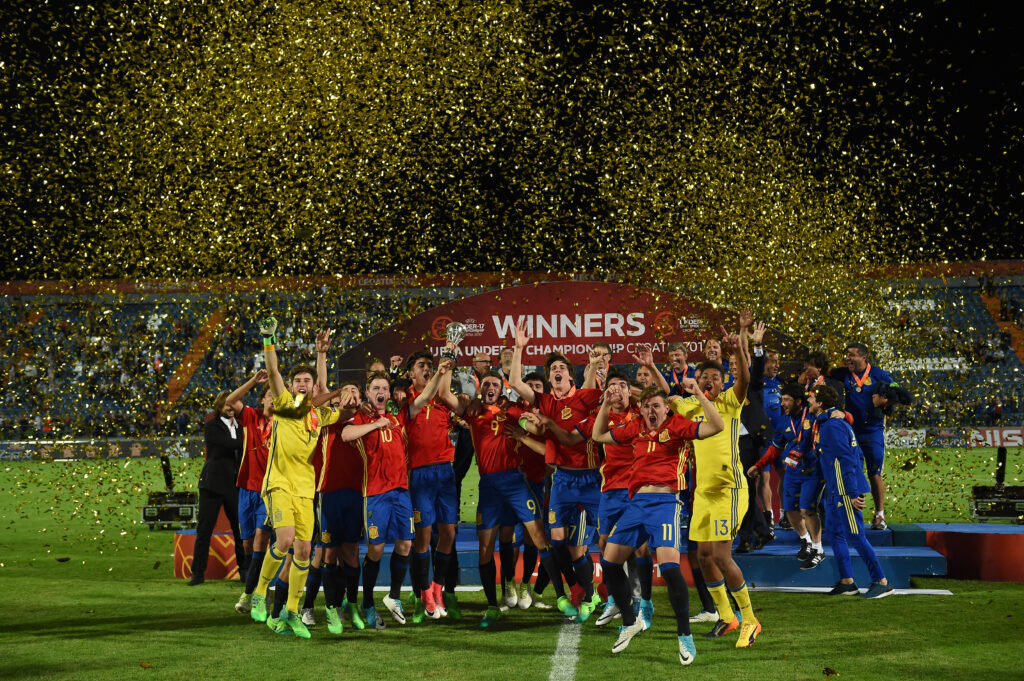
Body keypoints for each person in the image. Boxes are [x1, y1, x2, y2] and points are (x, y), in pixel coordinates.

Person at [592, 381, 724, 665]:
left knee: (670, 567)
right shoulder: (636, 427)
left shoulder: (678, 426)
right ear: (641, 409)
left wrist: (699, 394)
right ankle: (630, 621)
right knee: (611, 561)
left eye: (656, 406)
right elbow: (598, 434)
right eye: (647, 406)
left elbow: (717, 426)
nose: (651, 410)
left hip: (664, 505)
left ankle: (684, 636)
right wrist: (605, 403)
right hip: (636, 504)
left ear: (666, 408)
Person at [445, 371, 576, 627]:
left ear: (503, 389)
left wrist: (534, 424)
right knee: (486, 547)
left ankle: (561, 597)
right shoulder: (474, 412)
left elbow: (535, 427)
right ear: (481, 389)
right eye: (486, 384)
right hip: (490, 487)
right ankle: (492, 606)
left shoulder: (514, 410)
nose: (491, 387)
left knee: (539, 538)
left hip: (516, 482)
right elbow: (446, 397)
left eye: (495, 384)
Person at [251, 324, 350, 638]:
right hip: (279, 483)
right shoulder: (286, 405)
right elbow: (274, 370)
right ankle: (258, 592)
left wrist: (349, 399)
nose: (303, 384)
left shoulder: (319, 416)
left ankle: (293, 612)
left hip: (306, 491)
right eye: (299, 381)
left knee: (305, 551)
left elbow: (336, 409)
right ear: (292, 387)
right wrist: (269, 340)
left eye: (307, 380)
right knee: (284, 540)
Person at [670, 329, 761, 648]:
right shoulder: (690, 406)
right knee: (703, 555)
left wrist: (738, 350)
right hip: (703, 493)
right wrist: (655, 371)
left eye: (714, 376)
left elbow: (746, 379)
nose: (709, 380)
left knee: (722, 556)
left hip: (729, 490)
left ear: (722, 383)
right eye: (703, 376)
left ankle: (750, 620)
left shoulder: (730, 401)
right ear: (694, 380)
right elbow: (669, 399)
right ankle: (727, 616)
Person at [341, 362, 451, 628]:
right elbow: (345, 435)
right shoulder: (361, 418)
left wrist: (439, 373)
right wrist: (374, 425)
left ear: (390, 395)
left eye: (385, 388)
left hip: (402, 491)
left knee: (405, 545)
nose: (381, 391)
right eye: (376, 388)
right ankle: (367, 602)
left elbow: (424, 397)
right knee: (376, 549)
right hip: (376, 493)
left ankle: (393, 597)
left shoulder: (398, 416)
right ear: (368, 393)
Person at [508, 318, 601, 621]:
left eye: (561, 368)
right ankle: (573, 591)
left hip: (590, 478)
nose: (557, 372)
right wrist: (519, 348)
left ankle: (599, 594)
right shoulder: (545, 401)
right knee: (556, 539)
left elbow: (606, 395)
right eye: (552, 370)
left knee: (602, 539)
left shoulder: (586, 397)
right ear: (549, 379)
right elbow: (516, 382)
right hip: (560, 479)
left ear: (570, 375)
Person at [808, 384, 894, 598]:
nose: (807, 401)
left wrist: (852, 492)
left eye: (810, 398)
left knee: (855, 536)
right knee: (836, 534)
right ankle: (847, 581)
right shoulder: (832, 423)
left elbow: (846, 459)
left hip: (844, 491)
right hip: (836, 488)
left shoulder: (831, 426)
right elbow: (855, 457)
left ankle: (881, 581)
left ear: (820, 403)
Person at [403, 348, 462, 622]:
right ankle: (423, 593)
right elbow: (426, 395)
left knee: (448, 534)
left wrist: (449, 357)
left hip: (445, 474)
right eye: (421, 366)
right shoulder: (409, 401)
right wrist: (441, 369)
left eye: (430, 365)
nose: (427, 369)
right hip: (420, 475)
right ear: (411, 374)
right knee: (423, 537)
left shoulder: (441, 403)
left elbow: (445, 392)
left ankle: (437, 588)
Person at [832, 343, 911, 529]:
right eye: (847, 355)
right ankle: (855, 517)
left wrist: (887, 399)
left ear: (863, 357)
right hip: (851, 431)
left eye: (851, 355)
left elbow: (905, 396)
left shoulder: (879, 374)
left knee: (874, 473)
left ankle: (879, 515)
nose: (847, 358)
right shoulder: (842, 374)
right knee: (853, 471)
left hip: (873, 431)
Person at [748, 383, 825, 569]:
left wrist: (843, 414)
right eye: (782, 399)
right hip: (792, 471)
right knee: (790, 510)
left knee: (807, 510)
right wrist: (759, 466)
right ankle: (805, 540)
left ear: (799, 401)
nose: (782, 403)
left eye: (786, 400)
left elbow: (840, 418)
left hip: (812, 471)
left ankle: (818, 549)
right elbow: (775, 447)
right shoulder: (783, 422)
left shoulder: (814, 414)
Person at [313, 383, 366, 634]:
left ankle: (351, 604)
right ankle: (332, 608)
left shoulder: (364, 419)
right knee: (329, 554)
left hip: (356, 493)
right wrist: (336, 396)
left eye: (355, 391)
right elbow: (314, 401)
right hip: (330, 492)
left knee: (352, 553)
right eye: (347, 390)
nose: (350, 393)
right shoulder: (328, 417)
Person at [224, 369, 273, 614]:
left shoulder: (284, 422)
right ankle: (262, 587)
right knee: (248, 545)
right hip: (247, 489)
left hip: (269, 491)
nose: (274, 398)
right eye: (269, 395)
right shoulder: (252, 417)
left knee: (261, 542)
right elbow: (230, 401)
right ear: (262, 399)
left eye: (278, 395)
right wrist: (254, 381)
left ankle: (251, 594)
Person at [190, 390, 245, 586]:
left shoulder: (241, 426)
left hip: (233, 485)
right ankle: (197, 573)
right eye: (227, 405)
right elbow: (228, 444)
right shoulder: (212, 426)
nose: (230, 408)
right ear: (219, 407)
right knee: (204, 530)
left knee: (240, 532)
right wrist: (250, 440)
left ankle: (244, 572)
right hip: (212, 485)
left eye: (233, 404)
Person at [735, 316, 775, 553]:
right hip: (732, 443)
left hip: (749, 443)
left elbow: (756, 367)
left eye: (738, 363)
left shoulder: (753, 383)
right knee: (744, 491)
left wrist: (757, 346)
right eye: (730, 364)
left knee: (745, 491)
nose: (734, 367)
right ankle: (761, 532)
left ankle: (748, 537)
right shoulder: (727, 387)